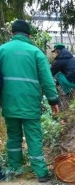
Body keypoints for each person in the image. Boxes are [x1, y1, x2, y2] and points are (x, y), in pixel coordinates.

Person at [0, 19, 59, 182]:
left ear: (12, 33)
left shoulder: (2, 50)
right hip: (30, 103)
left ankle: (15, 168)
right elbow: (47, 79)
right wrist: (53, 101)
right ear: (29, 35)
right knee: (33, 136)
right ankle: (40, 173)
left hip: (9, 102)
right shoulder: (36, 52)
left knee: (13, 136)